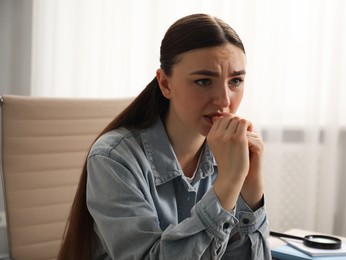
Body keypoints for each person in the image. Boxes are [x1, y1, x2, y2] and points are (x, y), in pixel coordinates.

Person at [58, 13, 272, 260]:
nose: (225, 100)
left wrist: (252, 188)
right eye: (203, 81)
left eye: (235, 81)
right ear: (165, 84)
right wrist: (229, 183)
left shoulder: (230, 153)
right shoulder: (113, 158)